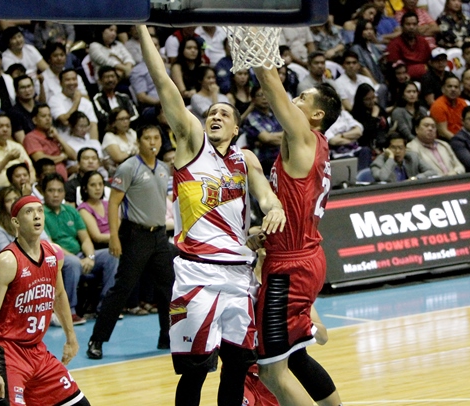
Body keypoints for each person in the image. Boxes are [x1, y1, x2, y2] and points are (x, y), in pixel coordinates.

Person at [138, 24, 286, 406]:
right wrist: (142, 31)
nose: (216, 116)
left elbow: (267, 198)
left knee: (237, 366)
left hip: (239, 273)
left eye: (225, 113)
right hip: (197, 271)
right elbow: (164, 85)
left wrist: (273, 212)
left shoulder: (245, 159)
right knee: (196, 370)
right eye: (211, 113)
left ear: (237, 127)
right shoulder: (191, 146)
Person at [252, 31, 343, 404]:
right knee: (297, 353)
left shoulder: (305, 137)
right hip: (302, 256)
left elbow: (270, 82)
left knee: (272, 370)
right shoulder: (310, 145)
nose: (295, 99)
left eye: (303, 98)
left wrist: (254, 37)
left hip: (290, 267)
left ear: (316, 115)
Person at [0, 195, 91, 406]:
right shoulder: (6, 261)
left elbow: (58, 295)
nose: (37, 216)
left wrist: (71, 337)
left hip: (37, 351)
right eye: (29, 212)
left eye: (39, 210)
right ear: (16, 222)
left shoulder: (53, 253)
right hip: (8, 352)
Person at [86, 124, 175, 358]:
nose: (153, 141)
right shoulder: (128, 167)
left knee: (168, 288)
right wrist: (114, 236)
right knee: (122, 289)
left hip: (159, 236)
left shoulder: (164, 167)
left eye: (156, 137)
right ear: (139, 141)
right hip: (135, 235)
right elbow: (114, 203)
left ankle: (167, 337)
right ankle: (97, 340)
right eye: (148, 138)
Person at [42, 172, 118, 323]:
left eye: (59, 190)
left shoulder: (70, 211)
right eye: (51, 191)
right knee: (73, 262)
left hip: (80, 255)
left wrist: (89, 257)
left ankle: (106, 307)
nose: (56, 195)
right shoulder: (40, 213)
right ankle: (68, 311)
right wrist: (76, 258)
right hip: (55, 258)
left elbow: (85, 239)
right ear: (44, 193)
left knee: (111, 255)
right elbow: (50, 244)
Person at [23, 103, 76, 180]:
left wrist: (58, 137)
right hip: (47, 181)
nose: (48, 119)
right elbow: (41, 160)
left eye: (49, 116)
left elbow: (73, 156)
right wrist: (62, 157)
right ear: (35, 120)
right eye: (43, 116)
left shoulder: (53, 135)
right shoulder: (31, 137)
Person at [242, 85, 284, 176]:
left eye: (266, 94)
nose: (264, 97)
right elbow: (267, 138)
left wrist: (275, 137)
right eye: (260, 95)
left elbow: (287, 133)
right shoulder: (251, 118)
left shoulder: (275, 115)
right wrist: (286, 137)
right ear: (253, 99)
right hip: (263, 161)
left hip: (280, 157)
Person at [49, 69, 99, 140]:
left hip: (86, 142)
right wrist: (76, 102)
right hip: (66, 142)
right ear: (60, 83)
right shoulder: (54, 100)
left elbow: (93, 125)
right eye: (67, 80)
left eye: (74, 79)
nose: (72, 82)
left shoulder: (86, 102)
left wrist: (95, 144)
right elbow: (65, 121)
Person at [387, 12, 436, 82]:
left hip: (426, 79)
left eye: (414, 24)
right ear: (402, 26)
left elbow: (430, 62)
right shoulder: (394, 44)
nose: (411, 27)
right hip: (405, 81)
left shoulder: (423, 41)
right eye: (408, 24)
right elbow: (395, 69)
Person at [92, 66, 138, 137]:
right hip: (108, 134)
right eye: (107, 77)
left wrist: (123, 123)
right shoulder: (97, 99)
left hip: (128, 132)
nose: (110, 80)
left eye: (112, 76)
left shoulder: (124, 97)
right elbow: (102, 118)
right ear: (100, 81)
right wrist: (120, 123)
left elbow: (134, 115)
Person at [1, 26, 49, 96]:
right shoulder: (5, 57)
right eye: (14, 38)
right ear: (8, 42)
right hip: (22, 87)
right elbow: (15, 78)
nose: (18, 40)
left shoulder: (30, 49)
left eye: (19, 36)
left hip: (38, 83)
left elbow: (46, 68)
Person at [371, 132, 438, 182]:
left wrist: (415, 178)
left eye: (401, 148)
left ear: (405, 149)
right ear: (386, 149)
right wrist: (390, 159)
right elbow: (381, 178)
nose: (397, 151)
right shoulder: (378, 162)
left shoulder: (413, 157)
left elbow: (432, 172)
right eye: (393, 148)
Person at [351, 83, 389, 153]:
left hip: (384, 142)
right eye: (368, 99)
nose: (372, 101)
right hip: (368, 146)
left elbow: (387, 127)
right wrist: (374, 116)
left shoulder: (378, 108)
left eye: (373, 97)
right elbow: (365, 133)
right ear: (361, 100)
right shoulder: (356, 114)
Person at [101, 107, 138, 177]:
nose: (126, 122)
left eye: (127, 118)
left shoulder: (132, 133)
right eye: (122, 119)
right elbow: (119, 157)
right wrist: (134, 152)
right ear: (113, 123)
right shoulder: (109, 136)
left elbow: (144, 150)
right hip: (118, 175)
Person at [429, 75, 469, 140]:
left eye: (456, 87)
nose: (453, 89)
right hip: (446, 141)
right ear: (443, 89)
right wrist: (460, 142)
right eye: (449, 86)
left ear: (460, 90)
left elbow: (468, 125)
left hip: (463, 137)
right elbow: (443, 132)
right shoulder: (438, 106)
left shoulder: (463, 103)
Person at [350, 19, 385, 85]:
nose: (369, 32)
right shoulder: (356, 48)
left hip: (380, 79)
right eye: (366, 29)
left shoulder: (373, 47)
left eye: (371, 29)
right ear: (360, 31)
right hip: (367, 83)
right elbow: (363, 69)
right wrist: (375, 84)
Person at [170, 37, 204, 104]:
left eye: (195, 48)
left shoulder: (201, 66)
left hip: (201, 98)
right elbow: (183, 92)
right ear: (182, 50)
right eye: (189, 48)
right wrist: (195, 92)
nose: (193, 50)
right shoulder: (177, 67)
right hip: (182, 102)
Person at [6, 75, 40, 143]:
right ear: (16, 92)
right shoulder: (14, 113)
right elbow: (23, 141)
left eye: (29, 86)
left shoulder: (41, 107)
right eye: (23, 88)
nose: (27, 90)